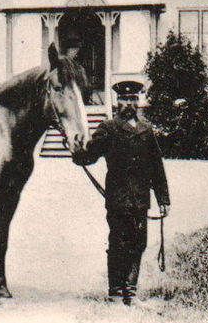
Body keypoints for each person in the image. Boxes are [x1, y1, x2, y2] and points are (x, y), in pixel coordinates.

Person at [72, 80, 170, 305]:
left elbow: (156, 166)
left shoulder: (146, 130)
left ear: (139, 102)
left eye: (133, 99)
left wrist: (163, 199)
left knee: (139, 243)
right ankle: (116, 292)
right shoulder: (108, 128)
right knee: (118, 243)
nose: (129, 103)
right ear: (117, 102)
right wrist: (78, 153)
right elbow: (91, 155)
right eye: (125, 99)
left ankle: (131, 292)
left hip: (140, 200)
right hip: (118, 198)